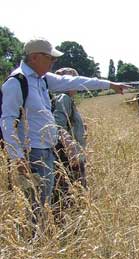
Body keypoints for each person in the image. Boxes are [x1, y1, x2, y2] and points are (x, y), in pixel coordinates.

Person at [0, 38, 128, 220]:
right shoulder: (16, 82)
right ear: (35, 57)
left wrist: (109, 84)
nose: (53, 62)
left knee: (43, 201)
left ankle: (39, 238)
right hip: (31, 155)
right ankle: (32, 241)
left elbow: (73, 81)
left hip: (46, 151)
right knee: (34, 203)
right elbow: (7, 122)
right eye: (50, 58)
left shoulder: (42, 79)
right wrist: (18, 158)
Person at [52, 67, 88, 210]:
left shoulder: (66, 99)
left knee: (70, 195)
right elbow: (57, 125)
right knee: (73, 196)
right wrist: (72, 149)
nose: (77, 84)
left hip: (70, 154)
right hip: (69, 157)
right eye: (73, 80)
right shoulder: (64, 98)